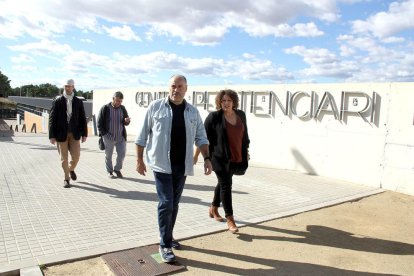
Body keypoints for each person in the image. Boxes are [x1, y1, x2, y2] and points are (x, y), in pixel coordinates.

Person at [135, 75, 212, 263]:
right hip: (161, 165)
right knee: (166, 203)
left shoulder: (192, 112)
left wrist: (207, 158)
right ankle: (164, 244)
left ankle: (168, 236)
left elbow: (201, 137)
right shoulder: (155, 107)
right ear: (168, 87)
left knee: (174, 204)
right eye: (172, 86)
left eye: (180, 86)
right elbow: (142, 135)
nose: (175, 89)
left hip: (182, 165)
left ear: (186, 89)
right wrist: (139, 159)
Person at [194, 89, 250, 233]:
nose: (226, 103)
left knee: (222, 183)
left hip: (236, 156)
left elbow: (245, 136)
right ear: (219, 102)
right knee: (226, 185)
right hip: (218, 158)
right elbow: (202, 138)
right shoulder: (214, 117)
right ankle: (230, 219)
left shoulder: (241, 115)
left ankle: (213, 208)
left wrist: (246, 152)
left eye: (229, 100)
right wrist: (197, 157)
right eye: (223, 100)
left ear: (234, 102)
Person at [49, 79, 88, 188]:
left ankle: (71, 169)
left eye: (70, 86)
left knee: (76, 157)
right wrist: (52, 136)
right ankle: (66, 178)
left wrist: (84, 134)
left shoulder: (78, 101)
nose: (68, 88)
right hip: (61, 134)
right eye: (66, 86)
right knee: (64, 159)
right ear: (64, 87)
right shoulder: (58, 101)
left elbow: (82, 118)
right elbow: (52, 118)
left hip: (74, 134)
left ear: (73, 87)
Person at [97, 91, 131, 178]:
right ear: (113, 99)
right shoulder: (105, 108)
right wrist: (104, 134)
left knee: (122, 154)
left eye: (120, 101)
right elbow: (99, 123)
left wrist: (127, 121)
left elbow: (125, 122)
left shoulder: (123, 108)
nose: (118, 103)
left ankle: (117, 169)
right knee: (108, 155)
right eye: (117, 101)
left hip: (120, 137)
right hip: (108, 137)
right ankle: (109, 171)